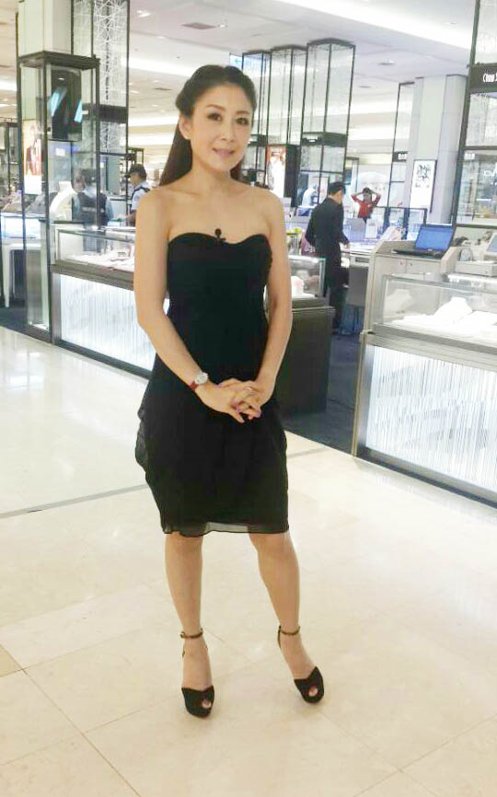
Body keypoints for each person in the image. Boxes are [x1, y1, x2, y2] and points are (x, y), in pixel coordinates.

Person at [133, 64, 324, 719]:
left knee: (272, 531)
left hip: (252, 395)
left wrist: (266, 380)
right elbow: (150, 311)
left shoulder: (265, 205)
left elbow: (281, 304)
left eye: (241, 120)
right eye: (214, 116)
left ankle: (291, 638)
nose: (229, 132)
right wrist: (203, 386)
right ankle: (193, 645)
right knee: (184, 531)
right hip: (184, 394)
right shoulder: (159, 205)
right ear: (186, 124)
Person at [304, 180, 350, 330]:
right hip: (333, 253)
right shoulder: (337, 208)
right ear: (339, 193)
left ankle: (316, 322)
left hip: (319, 254)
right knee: (336, 290)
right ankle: (334, 325)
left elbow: (309, 234)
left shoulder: (317, 208)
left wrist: (319, 244)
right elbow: (337, 231)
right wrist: (345, 241)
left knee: (319, 289)